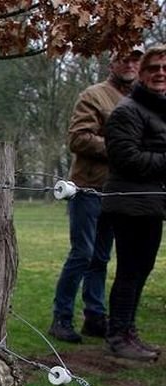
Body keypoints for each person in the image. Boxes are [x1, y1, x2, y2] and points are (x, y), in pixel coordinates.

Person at [49, 47, 143, 343]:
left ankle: (95, 317)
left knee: (101, 257)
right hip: (88, 188)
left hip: (117, 190)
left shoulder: (140, 100)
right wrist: (122, 149)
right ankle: (61, 318)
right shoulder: (94, 95)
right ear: (111, 62)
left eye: (135, 58)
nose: (129, 63)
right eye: (123, 58)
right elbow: (78, 139)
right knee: (83, 254)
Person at [101, 44, 166, 361]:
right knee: (130, 270)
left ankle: (128, 331)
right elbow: (126, 158)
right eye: (153, 68)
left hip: (150, 204)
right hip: (129, 203)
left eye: (165, 68)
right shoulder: (127, 111)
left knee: (142, 269)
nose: (160, 73)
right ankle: (118, 336)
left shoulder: (157, 108)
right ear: (141, 74)